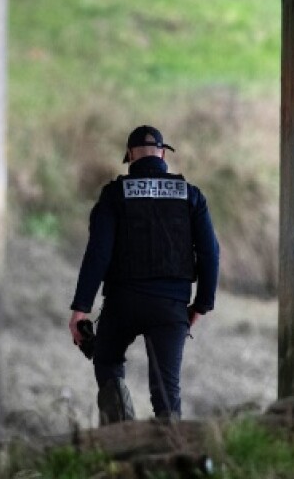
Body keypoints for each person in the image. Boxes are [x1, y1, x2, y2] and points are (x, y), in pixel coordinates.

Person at [68, 125, 221, 424]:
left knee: (107, 360)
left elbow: (98, 253)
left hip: (122, 303)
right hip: (170, 306)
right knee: (167, 393)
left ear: (129, 156)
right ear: (163, 154)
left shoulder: (114, 195)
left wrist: (81, 309)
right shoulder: (191, 196)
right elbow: (210, 254)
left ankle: (119, 427)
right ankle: (171, 451)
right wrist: (201, 305)